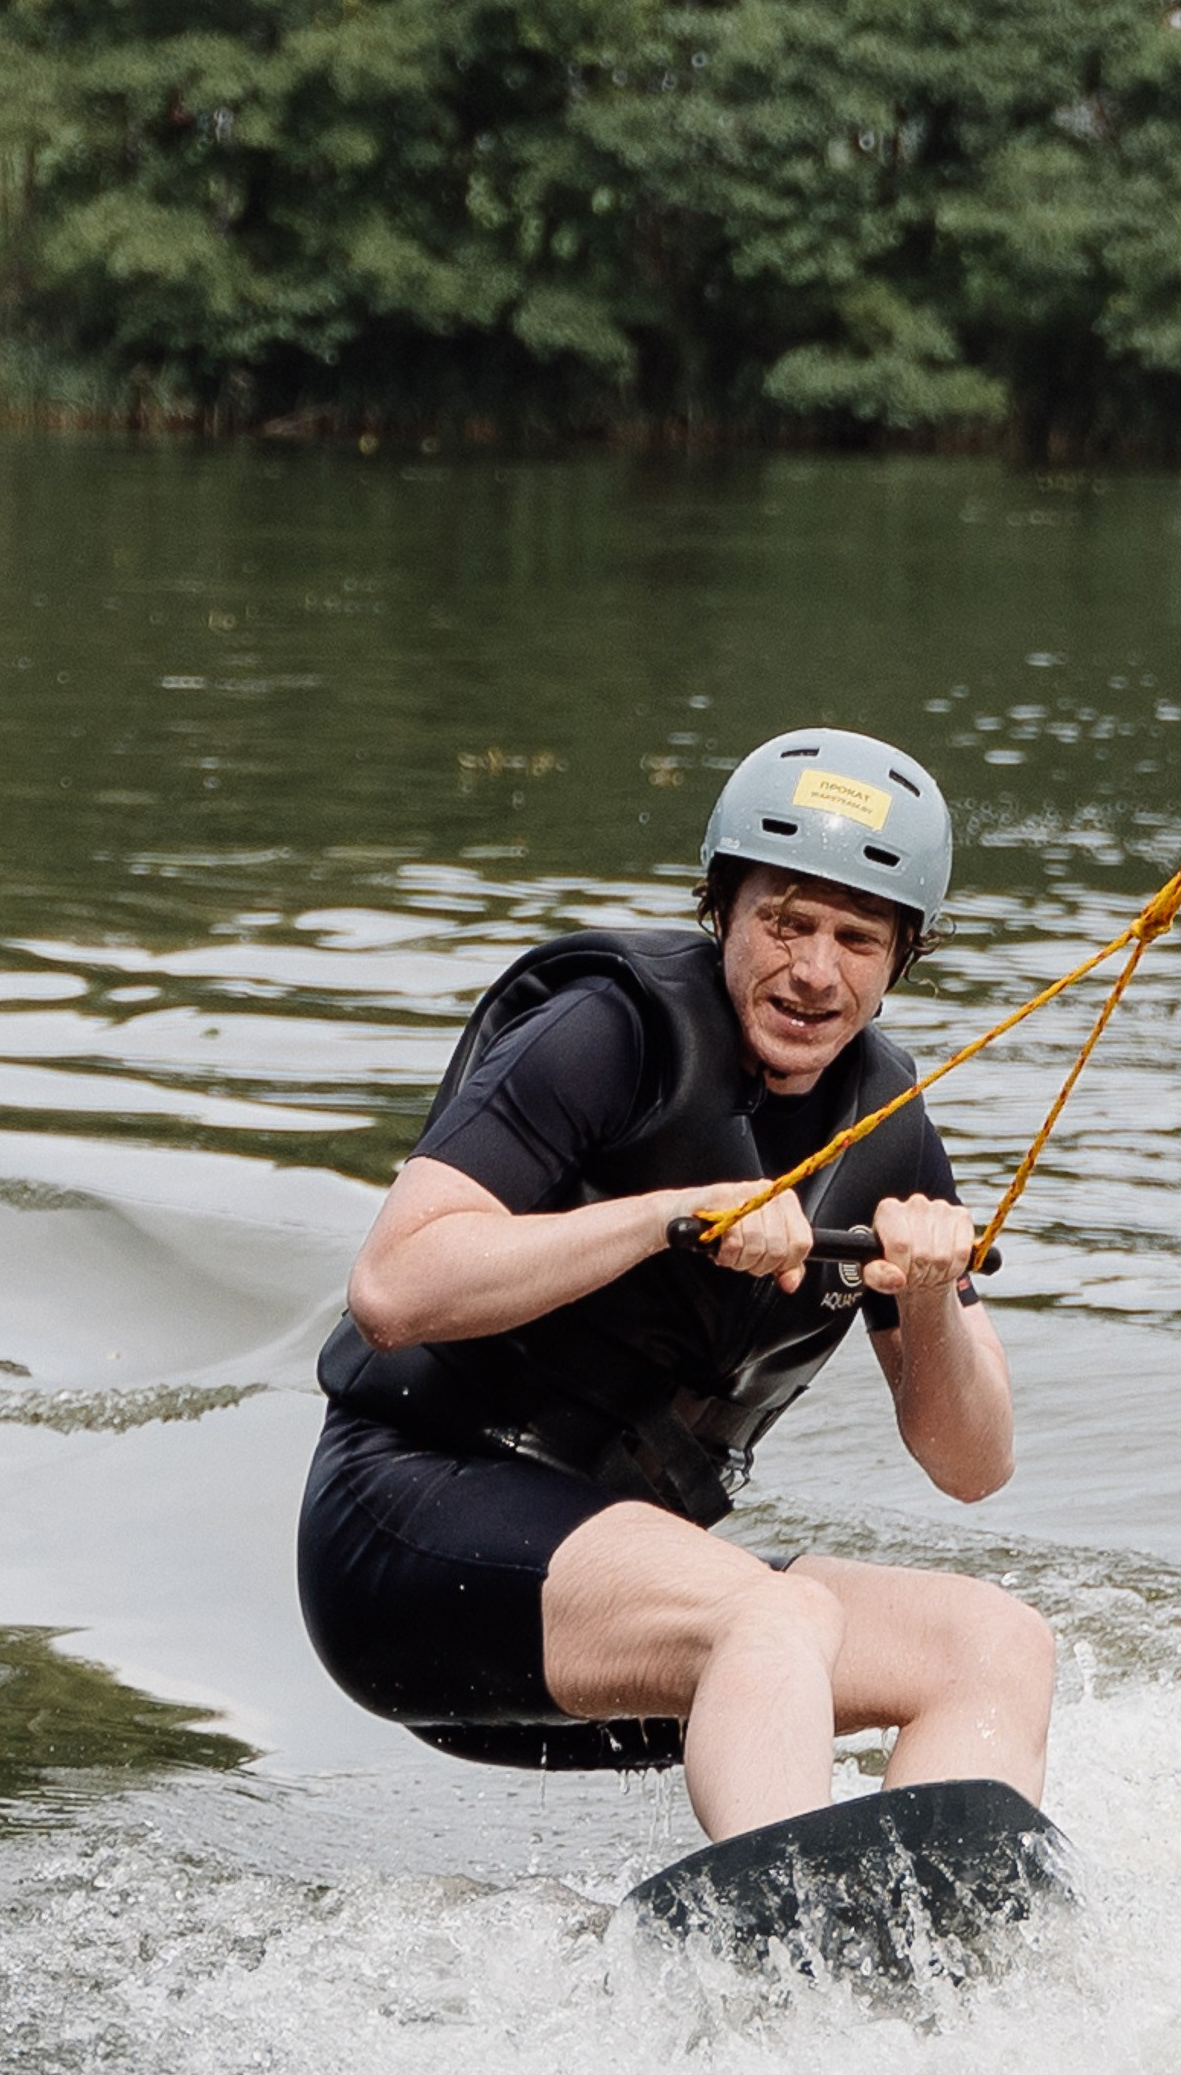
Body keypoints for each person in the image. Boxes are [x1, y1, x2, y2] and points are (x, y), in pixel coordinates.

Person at [296, 727, 1054, 1841]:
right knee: (774, 1611)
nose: (812, 968)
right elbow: (394, 1285)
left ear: (902, 958)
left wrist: (932, 1294)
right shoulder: (607, 1031)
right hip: (408, 1540)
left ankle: (932, 1962)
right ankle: (791, 1937)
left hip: (630, 1606)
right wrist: (668, 1218)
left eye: (855, 937)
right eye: (784, 921)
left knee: (991, 1641)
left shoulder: (894, 1131)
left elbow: (973, 1463)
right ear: (721, 911)